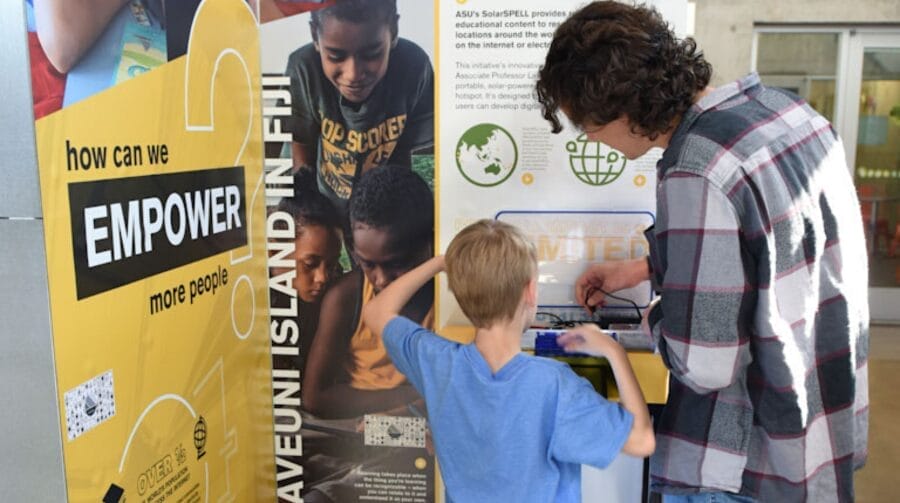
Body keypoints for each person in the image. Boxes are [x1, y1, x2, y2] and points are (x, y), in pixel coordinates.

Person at [535, 2, 869, 502]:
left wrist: (654, 311)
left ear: (620, 109)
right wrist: (651, 267)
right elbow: (781, 249)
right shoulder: (791, 113)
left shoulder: (696, 168)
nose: (593, 141)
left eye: (588, 127)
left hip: (743, 462)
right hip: (823, 430)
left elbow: (706, 363)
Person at [362, 219, 655, 502]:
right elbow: (642, 441)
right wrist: (613, 352)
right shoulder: (554, 385)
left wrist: (441, 262)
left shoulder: (437, 364)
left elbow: (376, 312)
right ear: (530, 291)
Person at [302, 164, 433, 419]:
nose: (381, 280)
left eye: (397, 264)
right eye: (368, 264)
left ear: (426, 244)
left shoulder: (447, 298)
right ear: (353, 249)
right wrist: (411, 397)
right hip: (357, 438)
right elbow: (315, 397)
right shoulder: (346, 297)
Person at [285, 0, 434, 217]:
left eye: (372, 54)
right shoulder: (303, 68)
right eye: (336, 56)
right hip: (324, 202)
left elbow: (416, 161)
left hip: (385, 206)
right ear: (314, 35)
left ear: (393, 31)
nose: (353, 74)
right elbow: (301, 158)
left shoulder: (415, 66)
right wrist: (317, 221)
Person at [269, 166, 343, 375]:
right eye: (310, 264)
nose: (322, 278)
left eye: (331, 264)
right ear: (275, 250)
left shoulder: (335, 294)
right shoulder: (249, 307)